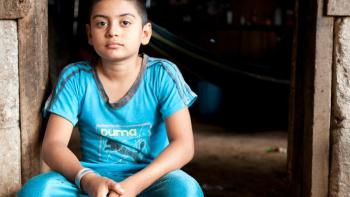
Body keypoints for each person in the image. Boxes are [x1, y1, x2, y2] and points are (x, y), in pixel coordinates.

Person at [17, 0, 203, 196]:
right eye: (101, 23)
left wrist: (132, 186)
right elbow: (53, 145)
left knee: (185, 190)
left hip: (152, 179)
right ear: (90, 34)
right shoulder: (76, 78)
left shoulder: (162, 74)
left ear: (145, 33)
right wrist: (87, 180)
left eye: (125, 23)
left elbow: (183, 145)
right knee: (37, 190)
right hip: (92, 180)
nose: (112, 31)